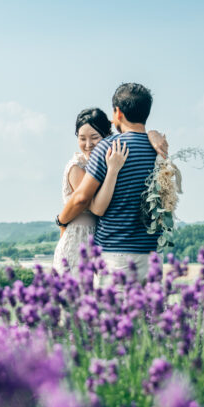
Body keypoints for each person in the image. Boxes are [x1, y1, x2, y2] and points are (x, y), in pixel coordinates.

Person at [55, 83, 162, 283]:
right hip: (151, 252)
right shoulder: (160, 150)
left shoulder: (108, 148)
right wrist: (153, 134)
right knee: (147, 314)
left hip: (115, 254)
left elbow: (87, 202)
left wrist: (61, 221)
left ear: (118, 112)